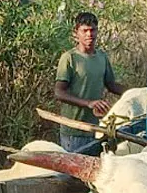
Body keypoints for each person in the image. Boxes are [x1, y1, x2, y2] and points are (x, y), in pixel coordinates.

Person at [54, 11, 127, 151]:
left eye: (92, 30)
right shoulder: (70, 58)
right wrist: (88, 103)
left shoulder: (101, 57)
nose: (89, 34)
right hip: (74, 130)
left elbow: (111, 85)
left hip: (95, 129)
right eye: (84, 31)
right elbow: (59, 92)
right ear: (76, 33)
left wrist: (138, 92)